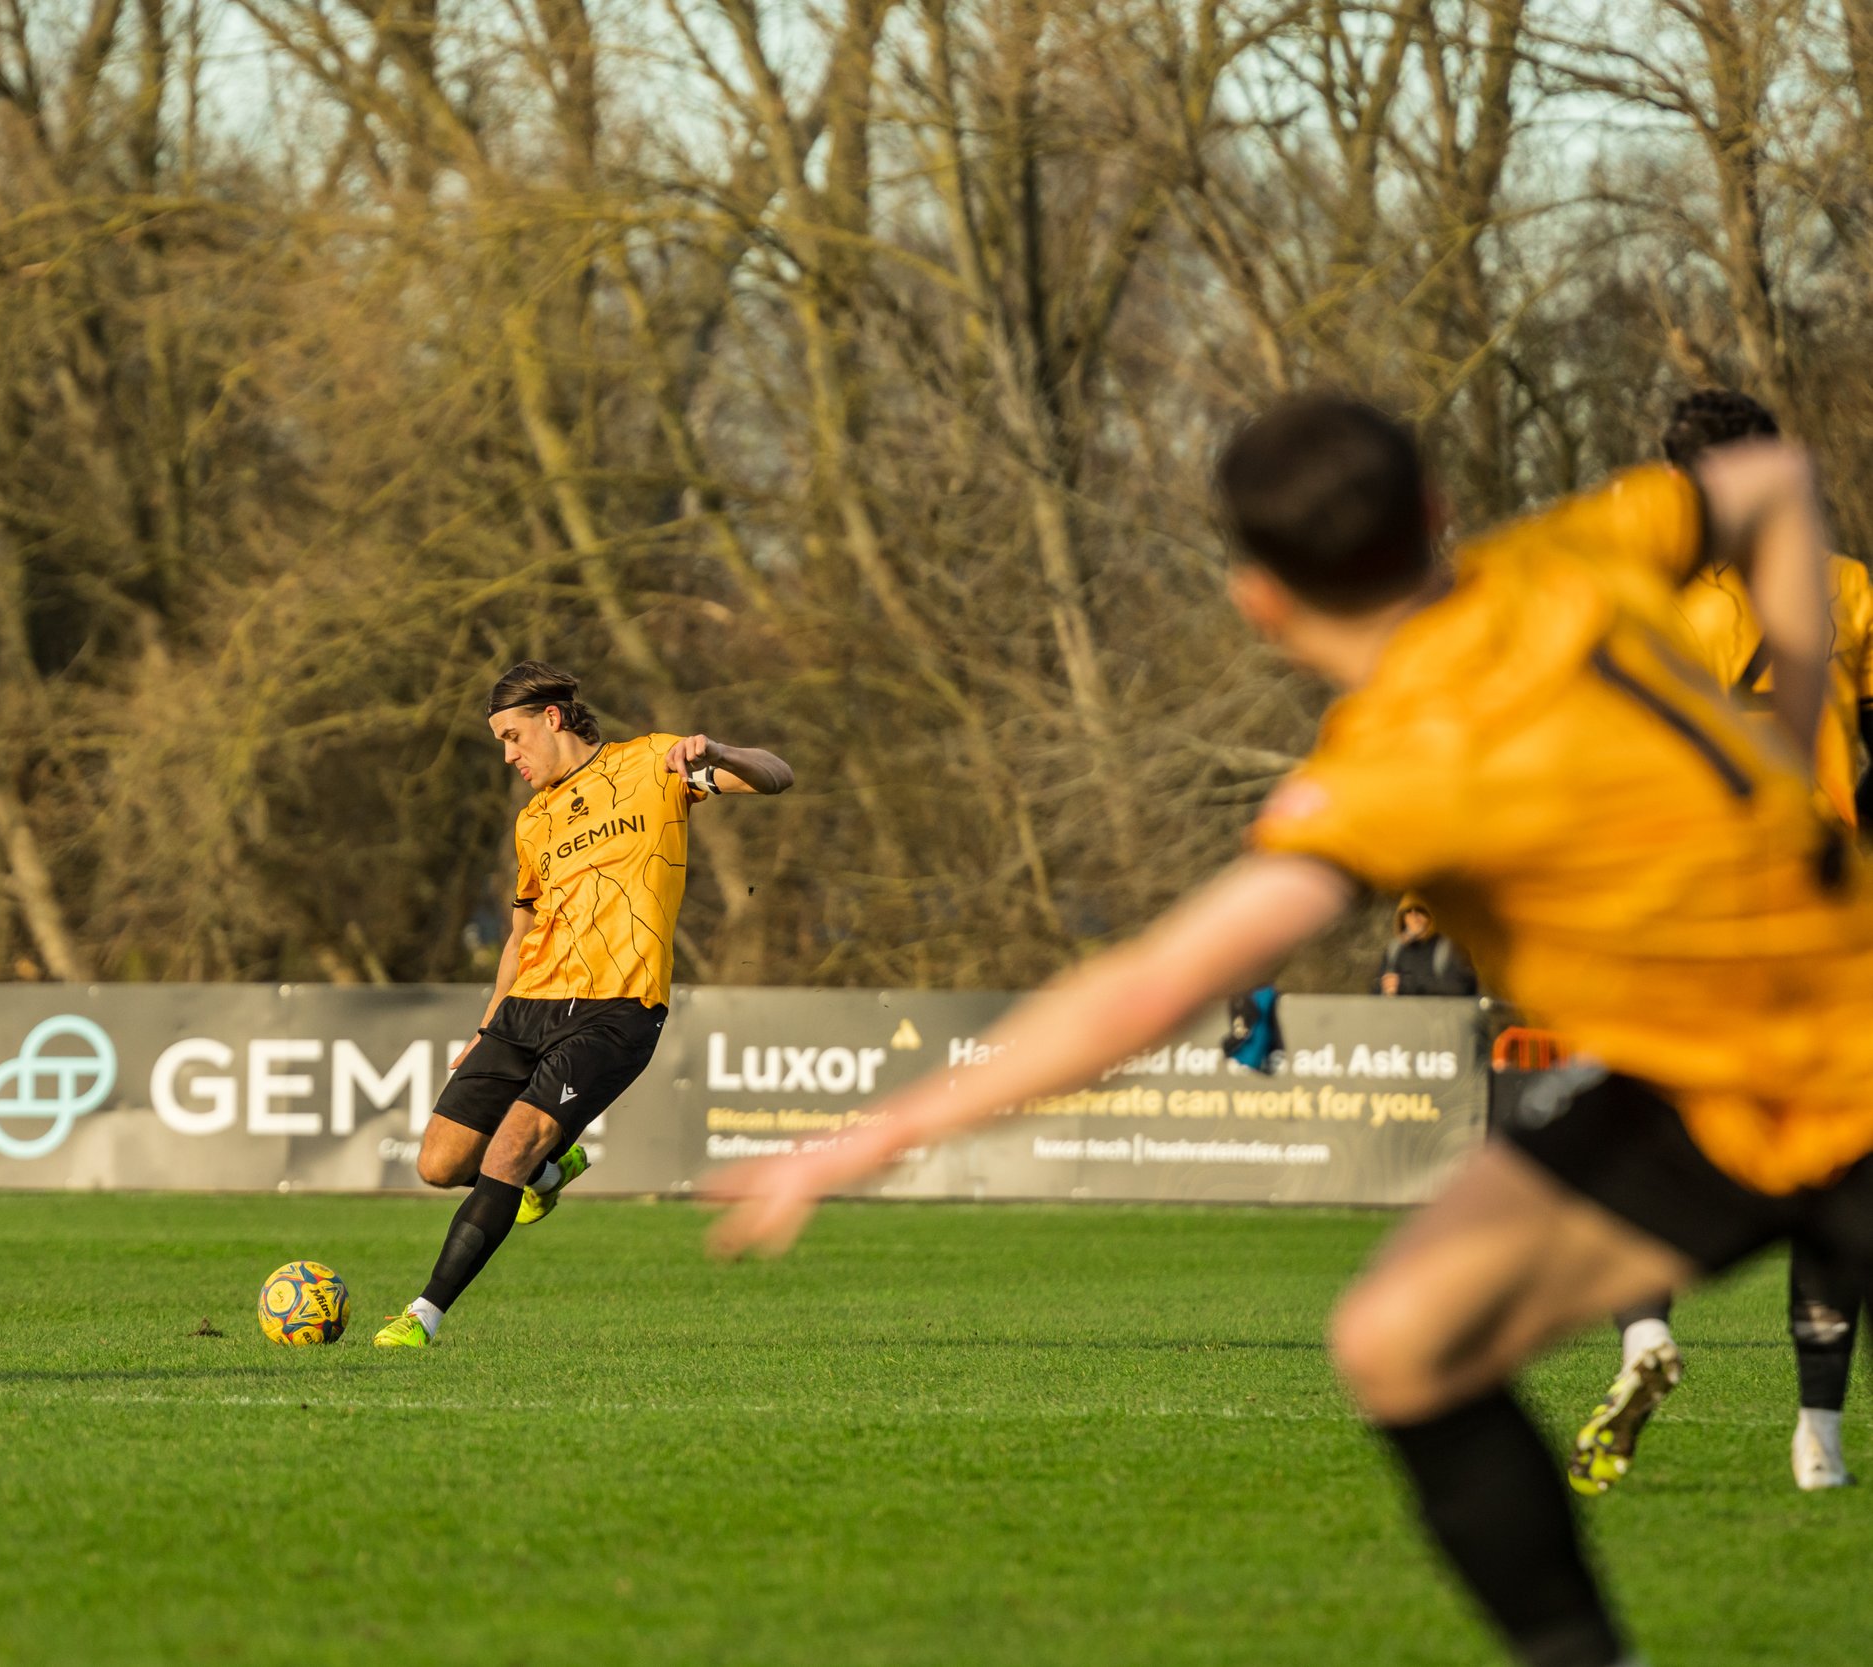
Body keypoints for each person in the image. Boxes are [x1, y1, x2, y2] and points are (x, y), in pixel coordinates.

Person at [710, 393, 1873, 1667]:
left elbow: (1148, 991)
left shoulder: (1397, 757)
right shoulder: (1566, 550)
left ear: (1255, 598)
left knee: (1405, 1341)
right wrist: (1799, 698)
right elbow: (1768, 477)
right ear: (1436, 512)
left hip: (1798, 1068)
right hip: (1720, 1070)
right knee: (1397, 1336)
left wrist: (869, 1134)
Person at [1570, 388, 1873, 1495]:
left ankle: (1642, 1329)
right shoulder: (1843, 589)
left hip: (1683, 913)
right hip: (1819, 915)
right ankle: (1817, 1435)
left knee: (1629, 1134)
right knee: (1838, 1165)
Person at [372, 662, 792, 1348]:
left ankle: (423, 1314)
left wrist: (717, 754)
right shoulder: (533, 821)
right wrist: (486, 1025)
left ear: (553, 718)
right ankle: (549, 1171)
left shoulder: (653, 765)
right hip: (527, 1004)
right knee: (440, 1164)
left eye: (512, 736)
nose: (509, 755)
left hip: (616, 1006)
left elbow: (777, 774)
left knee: (508, 1147)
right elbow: (520, 932)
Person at [1377, 895, 1477, 997]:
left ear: (1431, 916)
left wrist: (1404, 985)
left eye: (1420, 911)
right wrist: (1385, 987)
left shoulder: (1449, 948)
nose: (1414, 916)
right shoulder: (1395, 949)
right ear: (1402, 918)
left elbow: (1459, 988)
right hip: (1401, 1011)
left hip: (1439, 1011)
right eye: (1408, 911)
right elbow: (1376, 990)